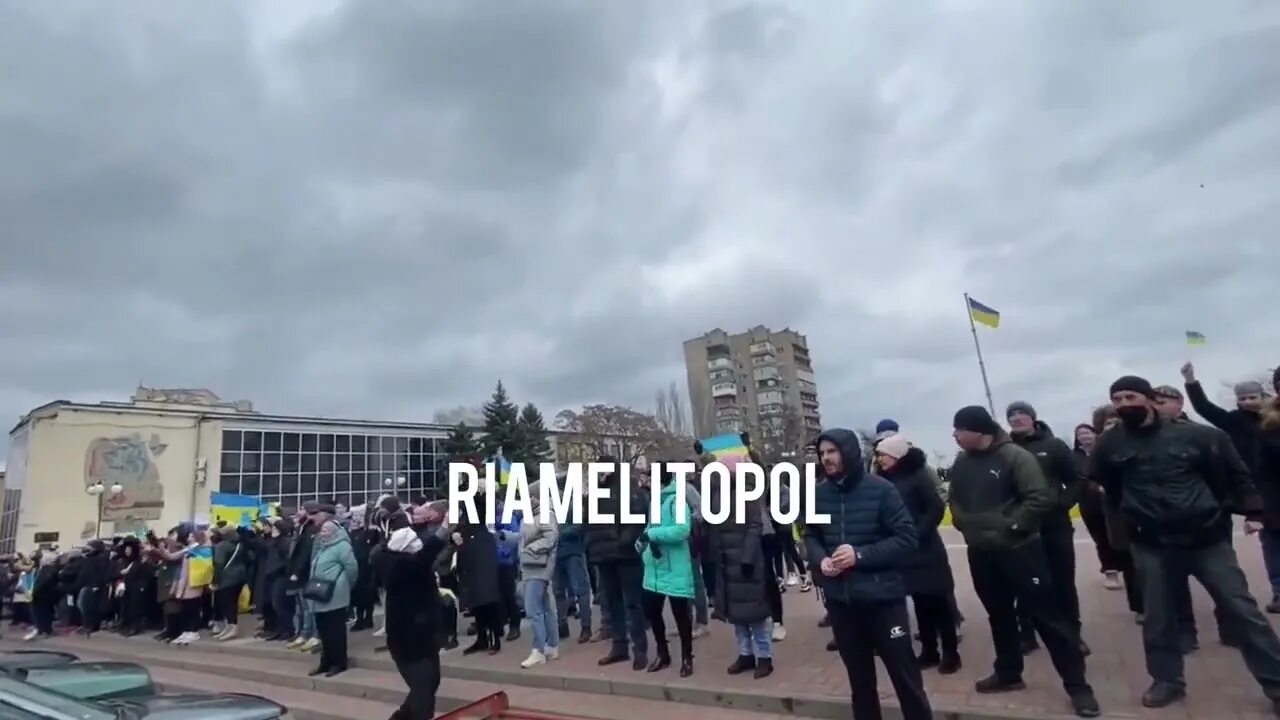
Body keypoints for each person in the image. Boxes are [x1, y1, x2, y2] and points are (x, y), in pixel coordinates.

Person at [1093, 375, 1280, 711]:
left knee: (1243, 611)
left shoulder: (1201, 436)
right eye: (1117, 399)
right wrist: (1125, 530)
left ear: (1149, 398)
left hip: (1206, 540)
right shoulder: (1110, 445)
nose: (1123, 404)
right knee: (1158, 618)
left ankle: (1277, 683)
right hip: (1150, 544)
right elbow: (1109, 488)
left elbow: (1235, 478)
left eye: (1130, 396)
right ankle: (1167, 681)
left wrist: (1240, 512)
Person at [948, 405, 1100, 717]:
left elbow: (1038, 498)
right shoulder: (962, 462)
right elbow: (955, 500)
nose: (955, 435)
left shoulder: (1016, 457)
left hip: (1020, 551)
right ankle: (1008, 672)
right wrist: (966, 525)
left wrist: (1010, 527)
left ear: (979, 430)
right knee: (998, 614)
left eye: (959, 429)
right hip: (981, 552)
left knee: (1047, 616)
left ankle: (1077, 685)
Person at [803, 429, 931, 720]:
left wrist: (859, 556)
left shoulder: (881, 490)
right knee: (860, 683)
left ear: (848, 451)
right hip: (842, 603)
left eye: (832, 452)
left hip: (883, 599)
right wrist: (820, 559)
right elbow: (810, 536)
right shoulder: (818, 495)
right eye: (822, 454)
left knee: (905, 678)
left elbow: (906, 538)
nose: (826, 458)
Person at [1182, 363, 1276, 610]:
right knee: (1273, 538)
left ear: (1264, 397)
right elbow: (1205, 408)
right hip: (1259, 484)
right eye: (1242, 398)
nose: (1247, 402)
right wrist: (1191, 381)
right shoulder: (1234, 421)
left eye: (1252, 397)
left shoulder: (1273, 419)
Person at [1006, 401, 1087, 656]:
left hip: (1055, 525)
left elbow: (1075, 479)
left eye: (1022, 414)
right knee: (1025, 584)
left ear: (1033, 418)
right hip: (1022, 529)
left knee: (1063, 582)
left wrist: (1063, 503)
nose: (1017, 418)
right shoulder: (1005, 450)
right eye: (1012, 415)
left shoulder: (1053, 446)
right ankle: (1027, 635)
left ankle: (1073, 634)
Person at [875, 434, 960, 675]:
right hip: (903, 553)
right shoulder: (883, 481)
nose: (880, 459)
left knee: (939, 603)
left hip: (926, 550)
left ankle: (951, 653)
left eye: (884, 455)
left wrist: (915, 534)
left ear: (897, 455)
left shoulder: (918, 476)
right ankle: (929, 650)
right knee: (921, 604)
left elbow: (935, 508)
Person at [379, 504, 450, 720]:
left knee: (431, 682)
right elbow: (426, 555)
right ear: (406, 548)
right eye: (415, 543)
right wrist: (445, 527)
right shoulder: (401, 567)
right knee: (423, 692)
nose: (419, 543)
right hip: (408, 644)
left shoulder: (406, 563)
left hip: (425, 637)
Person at [709, 455, 774, 679]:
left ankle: (764, 656)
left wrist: (747, 557)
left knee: (755, 614)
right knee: (737, 617)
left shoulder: (749, 493)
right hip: (726, 560)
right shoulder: (717, 494)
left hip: (747, 562)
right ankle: (746, 654)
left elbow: (755, 527)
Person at [585, 456, 650, 670]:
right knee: (613, 604)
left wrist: (625, 541)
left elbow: (639, 519)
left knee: (633, 603)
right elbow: (587, 521)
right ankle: (619, 646)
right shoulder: (595, 493)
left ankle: (640, 649)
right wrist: (591, 545)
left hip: (626, 556)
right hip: (603, 557)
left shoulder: (630, 491)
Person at [638, 463, 697, 677]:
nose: (646, 481)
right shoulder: (655, 500)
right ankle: (663, 653)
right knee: (653, 613)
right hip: (654, 566)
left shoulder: (677, 500)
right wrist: (642, 542)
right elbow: (650, 527)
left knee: (681, 616)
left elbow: (682, 530)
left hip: (675, 567)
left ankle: (687, 657)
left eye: (650, 477)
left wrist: (652, 535)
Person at [518, 483, 561, 669]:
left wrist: (530, 549)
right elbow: (524, 538)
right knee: (545, 607)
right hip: (531, 566)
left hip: (537, 567)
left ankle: (538, 650)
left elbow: (551, 538)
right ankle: (551, 645)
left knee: (533, 609)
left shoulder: (544, 514)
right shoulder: (531, 516)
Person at [553, 486, 594, 644]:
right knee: (558, 591)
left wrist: (560, 533)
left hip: (573, 553)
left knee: (581, 590)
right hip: (557, 553)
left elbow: (580, 527)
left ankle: (586, 627)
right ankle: (562, 625)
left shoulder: (574, 505)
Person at [211, 526, 251, 641]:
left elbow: (218, 564)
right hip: (240, 577)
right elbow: (249, 558)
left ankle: (232, 627)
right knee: (233, 602)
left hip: (226, 578)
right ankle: (229, 627)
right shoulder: (240, 545)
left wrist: (215, 580)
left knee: (227, 604)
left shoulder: (221, 546)